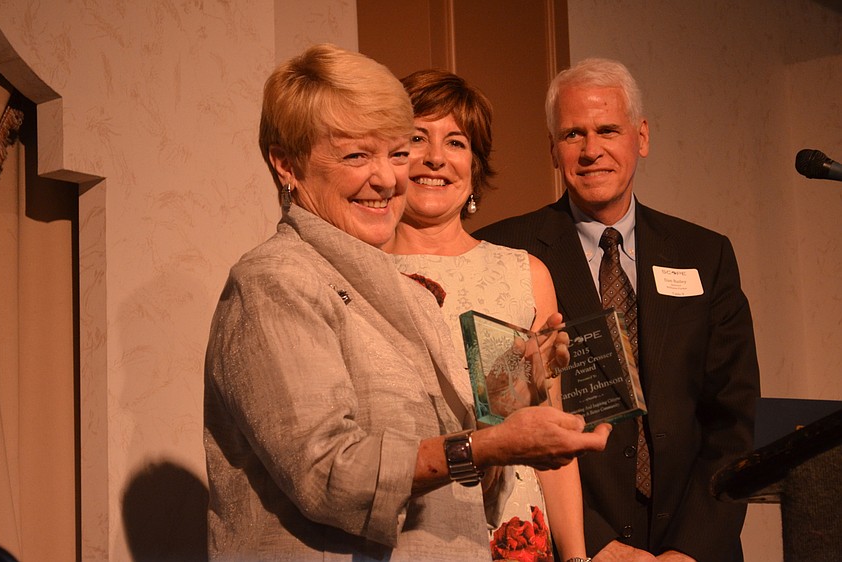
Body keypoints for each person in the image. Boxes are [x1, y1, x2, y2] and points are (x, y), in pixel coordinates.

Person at [203, 44, 612, 561]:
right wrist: (487, 445)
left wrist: (509, 408)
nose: (389, 177)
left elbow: (465, 486)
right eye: (357, 155)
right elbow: (327, 474)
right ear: (286, 164)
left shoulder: (406, 293)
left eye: (396, 153)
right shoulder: (274, 281)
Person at [475, 58, 760, 562]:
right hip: (577, 546)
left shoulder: (705, 254)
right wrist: (595, 544)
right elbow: (504, 426)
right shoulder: (503, 254)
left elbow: (730, 423)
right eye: (572, 134)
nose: (592, 151)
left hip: (698, 547)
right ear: (552, 149)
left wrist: (690, 549)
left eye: (608, 129)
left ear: (641, 137)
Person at [386, 69, 591, 562]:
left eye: (455, 142)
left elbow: (550, 438)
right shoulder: (361, 273)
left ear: (474, 168)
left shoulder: (524, 274)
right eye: (417, 138)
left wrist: (578, 557)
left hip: (513, 535)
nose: (435, 157)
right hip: (405, 532)